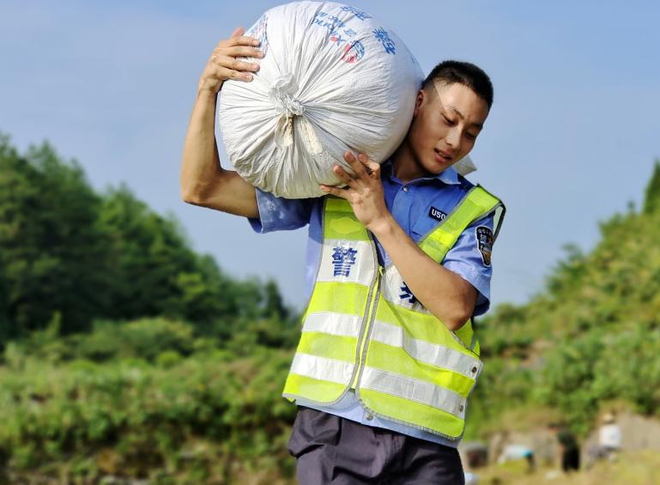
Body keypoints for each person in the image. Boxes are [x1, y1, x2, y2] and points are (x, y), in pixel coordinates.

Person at [180, 27, 505, 484]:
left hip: (427, 441)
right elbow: (202, 187)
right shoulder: (331, 175)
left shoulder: (475, 209)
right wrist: (208, 89)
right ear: (417, 103)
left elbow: (455, 308)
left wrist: (381, 221)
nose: (455, 141)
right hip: (333, 424)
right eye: (448, 120)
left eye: (471, 132)